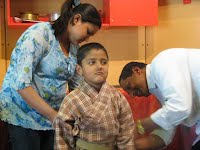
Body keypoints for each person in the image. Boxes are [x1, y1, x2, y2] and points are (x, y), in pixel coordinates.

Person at [0, 0, 102, 149]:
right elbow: (21, 84)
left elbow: (77, 86)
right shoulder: (39, 35)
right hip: (23, 114)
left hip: (52, 118)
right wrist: (54, 116)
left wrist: (92, 112)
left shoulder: (74, 47)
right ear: (76, 19)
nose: (87, 39)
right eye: (88, 32)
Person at [53, 42, 135, 150]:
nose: (99, 66)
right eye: (92, 62)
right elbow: (62, 138)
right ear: (79, 69)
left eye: (104, 62)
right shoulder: (72, 99)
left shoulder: (117, 97)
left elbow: (127, 132)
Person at [119, 48, 200, 150]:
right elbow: (166, 132)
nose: (132, 95)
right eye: (128, 92)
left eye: (129, 86)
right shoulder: (160, 91)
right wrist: (131, 146)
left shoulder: (161, 63)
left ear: (137, 71)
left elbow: (180, 107)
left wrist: (143, 124)